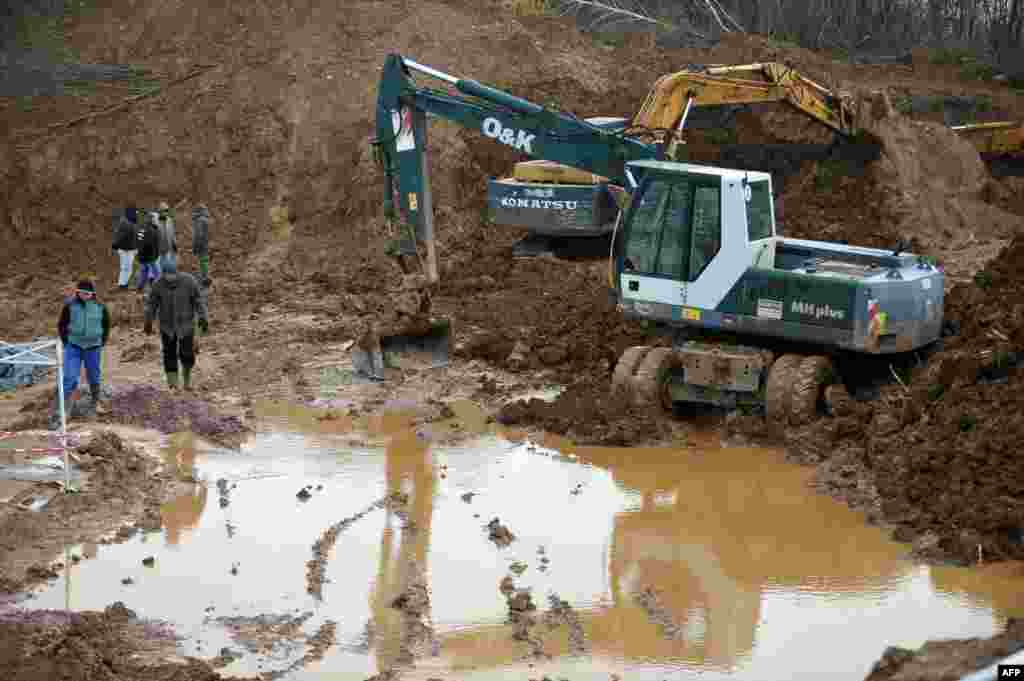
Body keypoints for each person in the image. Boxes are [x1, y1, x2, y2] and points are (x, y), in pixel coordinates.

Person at [50, 279, 111, 429]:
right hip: (74, 346)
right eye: (81, 293)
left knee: (94, 375)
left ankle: (94, 405)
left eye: (87, 293)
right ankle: (59, 413)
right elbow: (62, 325)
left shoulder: (100, 307)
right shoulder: (70, 306)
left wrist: (101, 341)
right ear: (77, 292)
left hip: (93, 347)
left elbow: (106, 325)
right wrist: (66, 342)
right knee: (69, 377)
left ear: (92, 293)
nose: (84, 295)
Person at [144, 260, 208, 391]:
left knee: (187, 354)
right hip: (167, 326)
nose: (169, 277)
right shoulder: (158, 285)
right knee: (169, 354)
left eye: (172, 274)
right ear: (163, 274)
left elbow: (198, 299)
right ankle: (172, 383)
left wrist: (203, 317)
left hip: (186, 325)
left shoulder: (189, 281)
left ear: (177, 272)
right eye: (167, 275)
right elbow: (152, 304)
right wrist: (148, 320)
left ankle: (187, 380)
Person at [112, 204, 139, 289]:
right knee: (126, 268)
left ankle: (123, 284)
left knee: (126, 268)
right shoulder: (127, 223)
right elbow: (121, 236)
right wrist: (116, 244)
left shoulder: (127, 222)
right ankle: (123, 285)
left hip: (128, 249)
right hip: (126, 250)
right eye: (135, 212)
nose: (136, 214)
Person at [136, 211, 161, 292]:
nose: (158, 221)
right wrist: (155, 255)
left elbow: (138, 241)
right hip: (150, 256)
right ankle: (159, 289)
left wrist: (140, 253)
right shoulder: (153, 230)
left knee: (143, 272)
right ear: (153, 220)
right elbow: (152, 245)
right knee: (158, 273)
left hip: (142, 256)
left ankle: (140, 287)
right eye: (157, 219)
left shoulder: (142, 227)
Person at [191, 204, 211, 287]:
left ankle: (204, 278)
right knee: (204, 260)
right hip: (205, 243)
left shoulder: (199, 220)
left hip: (201, 244)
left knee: (202, 261)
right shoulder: (205, 219)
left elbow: (198, 235)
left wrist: (195, 246)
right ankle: (205, 276)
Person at [156, 201, 177, 271]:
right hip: (158, 248)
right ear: (159, 211)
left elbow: (172, 233)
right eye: (164, 211)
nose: (165, 212)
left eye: (166, 211)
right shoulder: (155, 221)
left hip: (168, 247)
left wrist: (174, 243)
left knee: (166, 264)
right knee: (158, 265)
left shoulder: (169, 220)